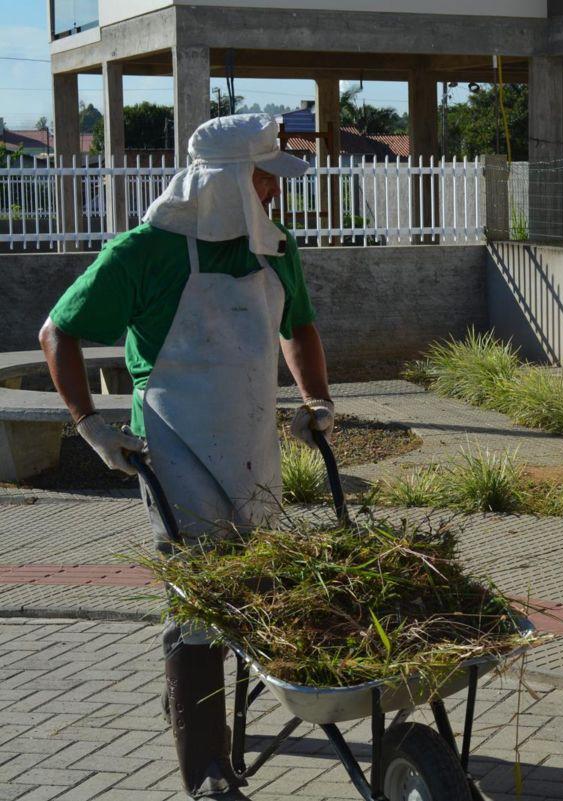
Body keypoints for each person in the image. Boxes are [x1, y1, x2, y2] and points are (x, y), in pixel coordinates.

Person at [39, 114, 335, 800]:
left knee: (256, 589)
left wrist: (318, 399)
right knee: (196, 603)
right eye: (265, 180)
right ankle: (207, 770)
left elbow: (301, 325)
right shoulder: (147, 251)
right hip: (173, 449)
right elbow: (60, 331)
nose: (274, 195)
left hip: (253, 445)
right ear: (228, 182)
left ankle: (196, 703)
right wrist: (90, 424)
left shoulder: (272, 248)